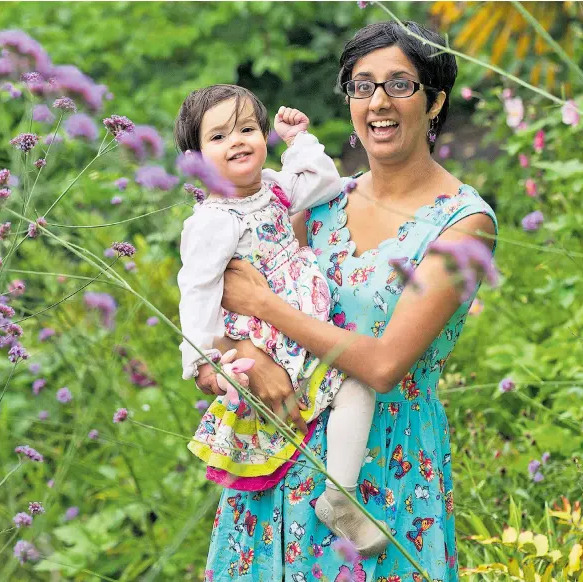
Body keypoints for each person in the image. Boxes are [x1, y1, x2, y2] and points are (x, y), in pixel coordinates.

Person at [198, 21, 498, 581]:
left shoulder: (462, 225)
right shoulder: (323, 202)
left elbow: (385, 366)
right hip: (278, 456)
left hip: (379, 476)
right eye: (363, 86)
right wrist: (245, 359)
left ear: (435, 102)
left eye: (399, 85)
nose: (378, 102)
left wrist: (268, 309)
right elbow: (230, 305)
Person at [175, 85, 389, 554]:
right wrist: (204, 360)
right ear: (194, 160)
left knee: (355, 390)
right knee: (300, 419)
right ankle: (306, 518)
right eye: (219, 136)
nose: (238, 141)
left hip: (296, 329)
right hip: (267, 344)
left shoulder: (273, 187)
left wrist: (298, 141)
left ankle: (339, 495)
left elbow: (327, 181)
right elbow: (196, 293)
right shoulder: (213, 221)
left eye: (248, 129)